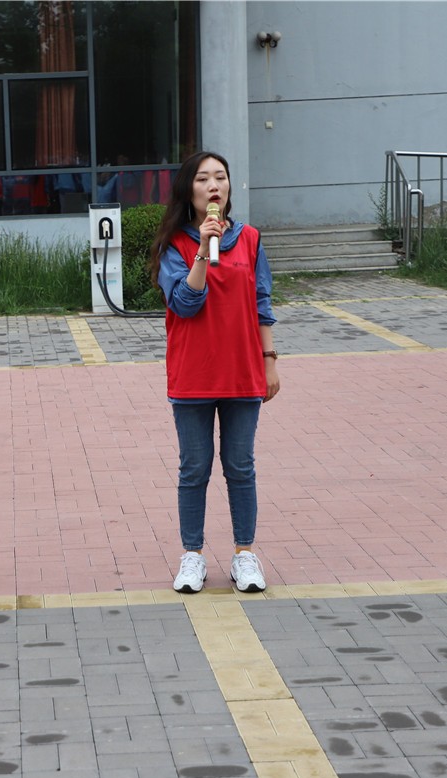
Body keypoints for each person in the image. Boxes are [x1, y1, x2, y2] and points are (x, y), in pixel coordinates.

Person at [148, 151, 281, 595]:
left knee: (240, 466)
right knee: (195, 468)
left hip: (242, 371)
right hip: (193, 374)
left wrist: (269, 360)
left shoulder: (250, 239)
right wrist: (204, 251)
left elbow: (261, 302)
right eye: (203, 179)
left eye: (220, 177)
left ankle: (245, 554)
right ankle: (193, 556)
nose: (213, 186)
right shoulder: (174, 245)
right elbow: (185, 304)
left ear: (228, 187)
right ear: (189, 190)